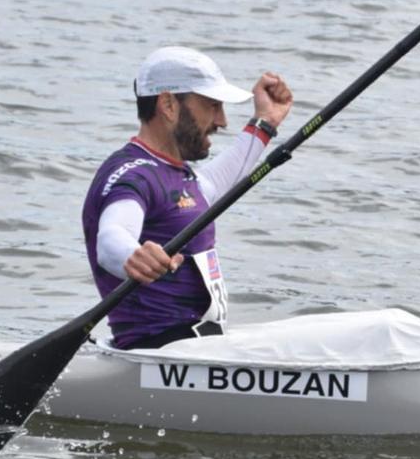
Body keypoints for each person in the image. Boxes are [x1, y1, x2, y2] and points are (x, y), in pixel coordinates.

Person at [82, 46, 293, 350]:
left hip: (197, 344)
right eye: (211, 105)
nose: (222, 121)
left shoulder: (177, 175)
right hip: (160, 352)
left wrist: (265, 122)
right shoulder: (134, 175)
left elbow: (223, 178)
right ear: (168, 104)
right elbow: (112, 235)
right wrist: (132, 255)